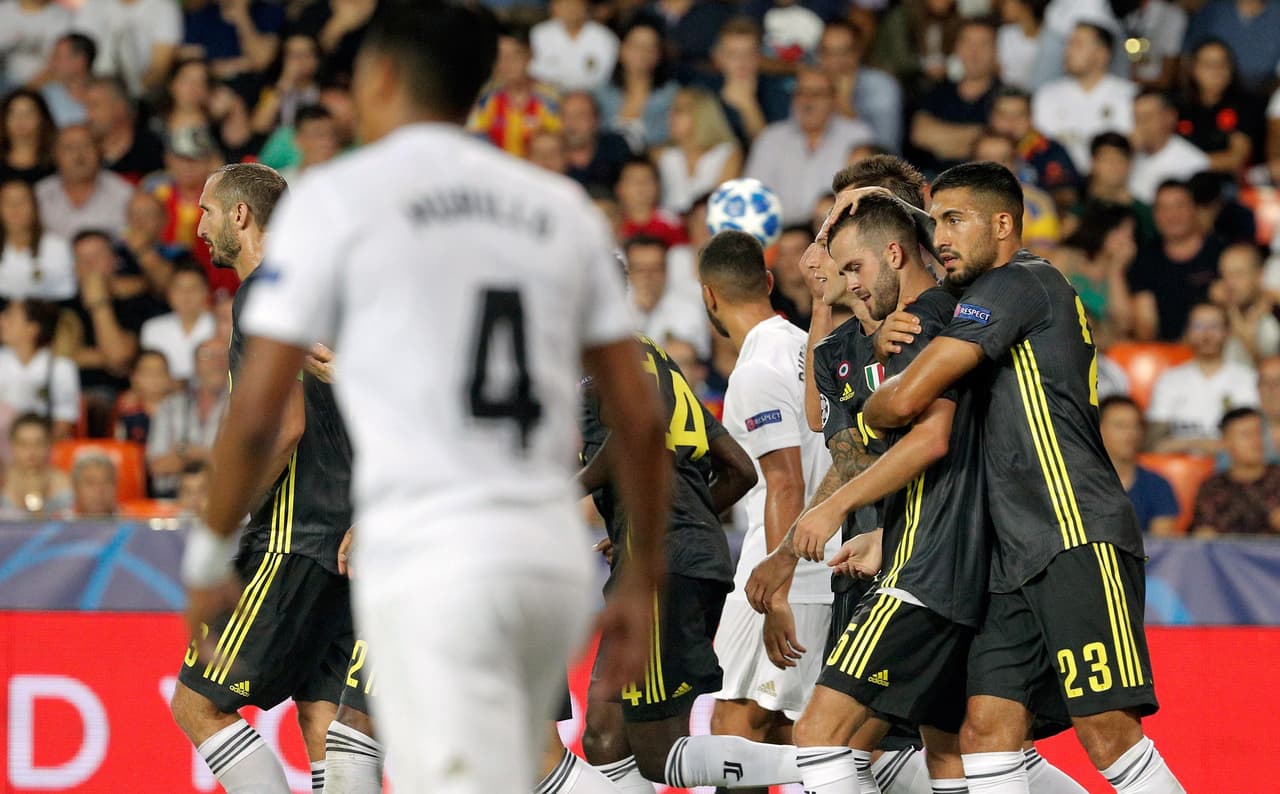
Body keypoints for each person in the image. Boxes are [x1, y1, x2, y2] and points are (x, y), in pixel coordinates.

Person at [185, 4, 671, 792]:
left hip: (435, 546)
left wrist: (210, 545)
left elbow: (259, 418)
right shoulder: (558, 209)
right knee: (512, 762)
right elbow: (639, 417)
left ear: (380, 79)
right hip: (546, 555)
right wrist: (644, 573)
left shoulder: (342, 205)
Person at [861, 161, 1183, 792]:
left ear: (1004, 223)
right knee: (985, 728)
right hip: (1015, 555)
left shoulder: (1018, 283)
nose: (941, 238)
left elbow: (902, 403)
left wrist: (874, 396)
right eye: (935, 223)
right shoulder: (989, 297)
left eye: (955, 220)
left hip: (1074, 534)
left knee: (1107, 732)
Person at [169, 162, 355, 794]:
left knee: (198, 706)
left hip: (291, 532)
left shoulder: (265, 291)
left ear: (241, 215)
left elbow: (283, 430)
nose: (200, 227)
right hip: (346, 536)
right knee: (323, 718)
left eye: (208, 211)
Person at [578, 332, 762, 791]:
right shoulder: (653, 361)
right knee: (605, 738)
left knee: (659, 750)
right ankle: (823, 757)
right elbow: (739, 468)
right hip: (668, 554)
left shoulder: (611, 356)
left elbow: (636, 430)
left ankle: (822, 760)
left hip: (660, 565)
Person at [695, 230, 841, 788]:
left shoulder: (755, 372)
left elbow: (785, 485)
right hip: (822, 567)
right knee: (787, 732)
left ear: (709, 296)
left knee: (734, 726)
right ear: (771, 283)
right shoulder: (809, 349)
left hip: (783, 573)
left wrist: (776, 592)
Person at [744, 67, 874, 227]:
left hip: (837, 231)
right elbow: (754, 196)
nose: (808, 101)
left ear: (833, 99)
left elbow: (866, 194)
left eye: (817, 94)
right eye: (801, 93)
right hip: (783, 236)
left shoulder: (857, 136)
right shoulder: (770, 138)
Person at [1146, 302, 1259, 455]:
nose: (1207, 334)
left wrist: (1185, 444)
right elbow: (1154, 444)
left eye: (1215, 326)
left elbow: (1254, 441)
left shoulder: (1248, 379)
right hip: (1179, 470)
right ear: (1187, 332)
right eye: (1198, 326)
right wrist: (1205, 444)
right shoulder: (1169, 380)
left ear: (1228, 332)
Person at [1127, 179, 1225, 341]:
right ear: (1154, 215)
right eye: (1164, 208)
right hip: (1165, 355)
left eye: (1180, 206)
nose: (1172, 215)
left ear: (1194, 209)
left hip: (1217, 347)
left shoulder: (1221, 252)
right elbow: (1145, 327)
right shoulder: (1144, 260)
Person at [1032, 22, 1136, 173]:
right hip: (1059, 185)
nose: (1068, 51)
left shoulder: (1129, 96)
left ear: (1102, 54)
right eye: (1068, 44)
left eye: (1077, 44)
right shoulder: (1046, 95)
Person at [908, 17, 1001, 174]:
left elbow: (996, 147)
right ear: (957, 48)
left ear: (996, 51)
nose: (974, 52)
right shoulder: (938, 91)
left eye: (983, 44)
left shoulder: (1004, 96)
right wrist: (974, 136)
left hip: (983, 183)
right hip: (933, 181)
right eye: (968, 43)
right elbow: (920, 134)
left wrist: (941, 141)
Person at [467, 23, 561, 159]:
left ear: (530, 55)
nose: (507, 64)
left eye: (514, 56)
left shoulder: (551, 98)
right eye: (501, 57)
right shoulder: (484, 99)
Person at [147, 337, 226, 498]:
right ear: (195, 364)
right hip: (171, 500)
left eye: (223, 354)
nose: (216, 362)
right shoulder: (170, 406)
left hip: (223, 500)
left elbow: (241, 467)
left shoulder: (241, 408)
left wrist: (185, 452)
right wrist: (212, 458)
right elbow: (157, 466)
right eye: (207, 355)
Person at [1176, 39, 1265, 177]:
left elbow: (1236, 159)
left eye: (1223, 63)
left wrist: (1183, 163)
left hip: (1228, 185)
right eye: (1208, 65)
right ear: (1193, 68)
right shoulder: (1178, 104)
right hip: (1181, 182)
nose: (1217, 70)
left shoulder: (1247, 104)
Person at [988, 88, 1080, 216]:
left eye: (1019, 115)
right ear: (991, 117)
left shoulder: (1050, 150)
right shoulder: (980, 148)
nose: (1010, 122)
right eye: (1003, 115)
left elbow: (1067, 194)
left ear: (1031, 118)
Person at [815, 20, 902, 153]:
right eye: (827, 52)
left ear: (857, 52)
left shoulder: (882, 87)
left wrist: (844, 105)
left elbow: (884, 152)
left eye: (842, 52)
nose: (834, 62)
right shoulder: (811, 87)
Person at [34, 123, 134, 239]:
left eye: (86, 146)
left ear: (99, 151)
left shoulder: (124, 193)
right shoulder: (39, 195)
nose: (78, 155)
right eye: (69, 148)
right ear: (56, 155)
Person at [1191, 407, 1280, 535]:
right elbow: (1204, 534)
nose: (1256, 441)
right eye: (1246, 435)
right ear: (1225, 443)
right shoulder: (1213, 487)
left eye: (1259, 433)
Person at [1098, 396, 1179, 537]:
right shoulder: (1076, 484)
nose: (1131, 434)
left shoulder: (1157, 485)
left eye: (1136, 425)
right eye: (1120, 426)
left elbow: (1161, 549)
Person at [593, 18, 678, 152]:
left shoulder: (672, 95)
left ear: (658, 55)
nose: (642, 54)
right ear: (621, 50)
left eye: (650, 48)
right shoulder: (600, 93)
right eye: (636, 46)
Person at [656, 87, 742, 216]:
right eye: (671, 110)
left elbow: (723, 204)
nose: (670, 116)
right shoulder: (662, 155)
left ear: (701, 115)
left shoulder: (727, 154)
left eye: (679, 111)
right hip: (668, 229)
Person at [0, 297, 78, 439]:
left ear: (32, 329)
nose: (1, 321)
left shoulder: (60, 367)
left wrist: (32, 449)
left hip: (43, 447)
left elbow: (64, 422)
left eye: (9, 316)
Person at [73, 0, 183, 98]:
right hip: (92, 88)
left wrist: (130, 94)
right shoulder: (94, 4)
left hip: (140, 94)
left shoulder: (164, 6)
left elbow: (160, 67)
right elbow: (77, 52)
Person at [624, 234, 708, 358]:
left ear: (666, 271)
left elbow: (695, 359)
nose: (647, 276)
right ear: (628, 272)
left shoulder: (689, 309)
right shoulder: (617, 309)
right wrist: (639, 313)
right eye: (639, 269)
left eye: (655, 269)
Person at [1127, 90, 1209, 205]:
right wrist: (1126, 153)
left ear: (1170, 117)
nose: (1141, 126)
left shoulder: (1194, 163)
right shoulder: (1128, 153)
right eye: (1137, 119)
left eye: (1147, 117)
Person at [0, 178, 76, 301]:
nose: (15, 207)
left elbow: (66, 290)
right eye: (7, 201)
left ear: (35, 207)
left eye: (22, 201)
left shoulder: (57, 246)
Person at [1182, 0, 1280, 93]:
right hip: (1215, 94)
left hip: (1266, 92)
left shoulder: (1276, 11)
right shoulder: (1214, 10)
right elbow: (1188, 56)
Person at [139, 261, 214, 382]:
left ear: (206, 292)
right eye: (179, 288)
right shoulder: (152, 328)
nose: (186, 295)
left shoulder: (219, 326)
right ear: (169, 293)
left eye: (193, 288)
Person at [83, 75, 166, 184]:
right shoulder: (80, 152)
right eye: (85, 107)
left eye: (95, 106)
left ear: (120, 108)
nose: (87, 115)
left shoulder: (152, 151)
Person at [530, 0, 618, 93]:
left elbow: (602, 77)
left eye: (576, 4)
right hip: (549, 91)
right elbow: (536, 70)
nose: (571, 9)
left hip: (591, 93)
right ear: (554, 7)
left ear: (586, 7)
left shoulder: (605, 37)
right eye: (565, 4)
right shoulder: (539, 33)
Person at [1214, 243, 1280, 365]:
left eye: (1238, 274)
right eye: (1224, 275)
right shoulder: (1216, 313)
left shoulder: (1276, 313)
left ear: (1259, 275)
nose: (1229, 283)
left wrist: (1248, 342)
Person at [0, 412, 72, 517]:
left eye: (39, 443)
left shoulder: (66, 483)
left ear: (49, 444)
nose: (31, 452)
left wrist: (35, 500)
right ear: (12, 446)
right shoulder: (2, 481)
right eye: (23, 444)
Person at [113, 347, 174, 445]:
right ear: (134, 378)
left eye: (160, 371)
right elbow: (119, 445)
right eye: (148, 372)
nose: (154, 377)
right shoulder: (126, 410)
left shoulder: (178, 410)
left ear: (169, 378)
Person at [38, 33, 97, 128]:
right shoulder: (46, 96)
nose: (51, 63)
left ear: (80, 61)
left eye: (56, 57)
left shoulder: (106, 96)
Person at [0, 88, 58, 185]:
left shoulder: (57, 162)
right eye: (13, 113)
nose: (20, 120)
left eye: (28, 113)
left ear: (41, 119)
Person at [69, 451, 118, 518]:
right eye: (90, 483)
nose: (100, 490)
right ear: (76, 488)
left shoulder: (133, 522)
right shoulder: (57, 525)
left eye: (107, 482)